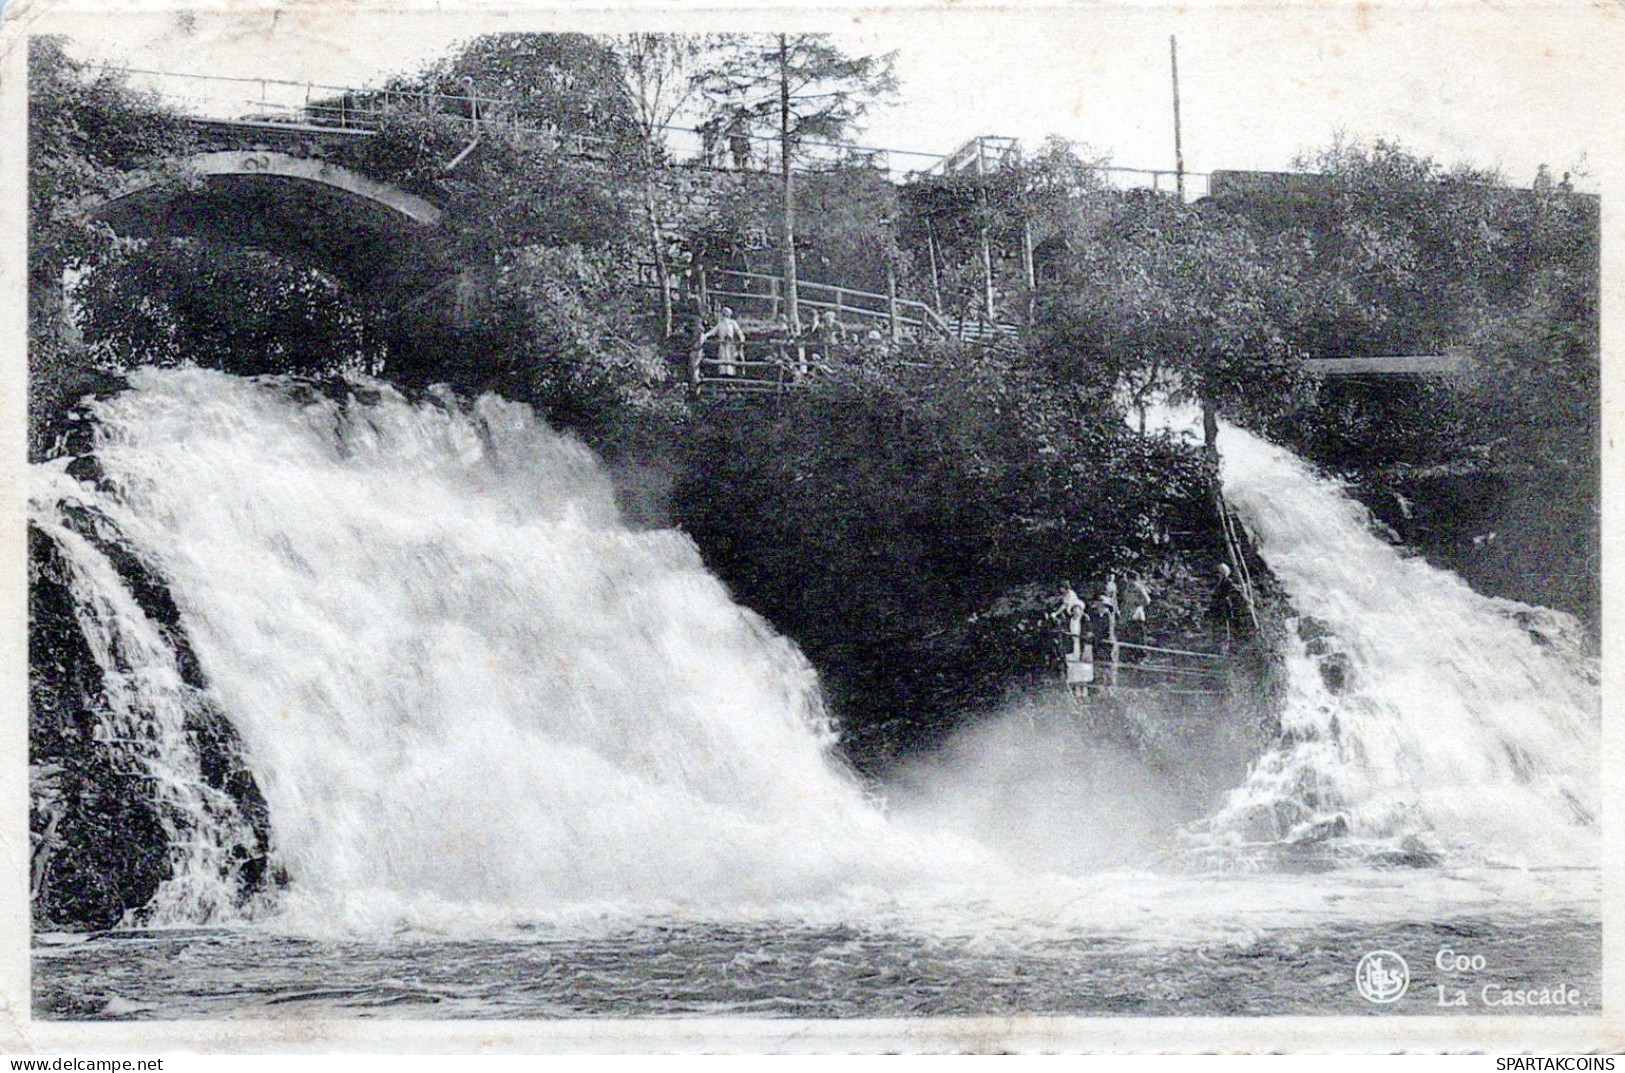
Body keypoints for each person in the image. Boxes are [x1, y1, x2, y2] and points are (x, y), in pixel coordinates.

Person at [697, 307, 745, 377]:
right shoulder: (720, 324)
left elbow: (739, 331)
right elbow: (713, 331)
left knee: (730, 359)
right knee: (723, 359)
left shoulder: (732, 323)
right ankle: (723, 375)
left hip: (730, 344)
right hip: (722, 345)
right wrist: (705, 335)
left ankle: (731, 375)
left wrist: (741, 339)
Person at [1057, 582, 1087, 660]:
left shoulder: (1071, 594)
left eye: (1062, 588)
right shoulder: (1063, 595)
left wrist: (1056, 613)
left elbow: (1065, 605)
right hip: (1070, 616)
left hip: (1078, 639)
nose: (1061, 590)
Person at [1122, 573, 1152, 649]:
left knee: (1139, 638)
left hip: (1137, 615)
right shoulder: (1128, 588)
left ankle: (1142, 656)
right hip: (1128, 615)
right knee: (1129, 637)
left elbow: (1147, 600)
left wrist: (1137, 603)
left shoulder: (1139, 588)